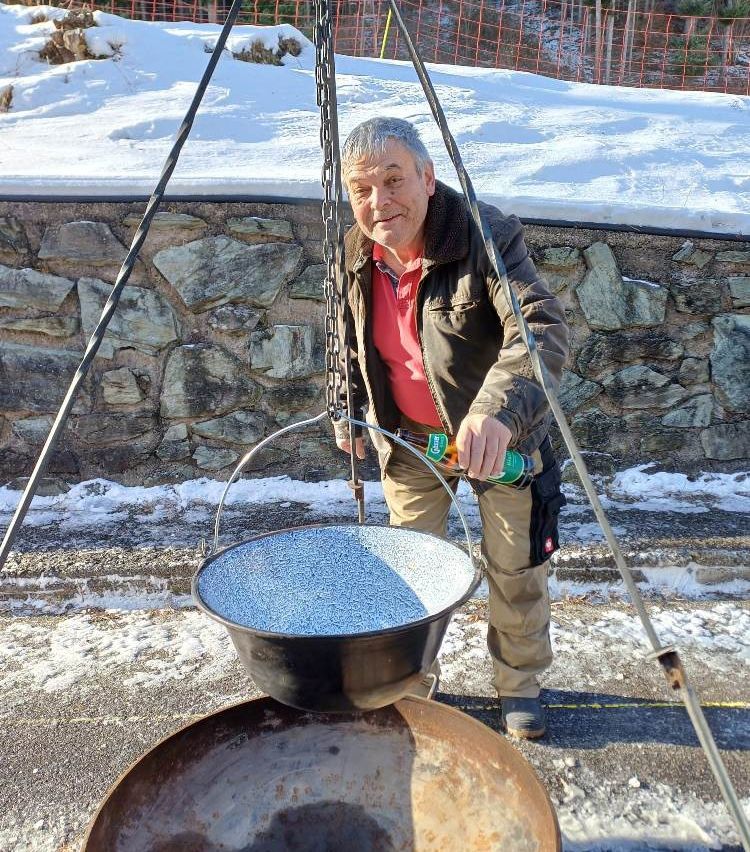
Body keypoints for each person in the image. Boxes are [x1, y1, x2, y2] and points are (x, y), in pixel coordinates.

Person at [334, 117, 569, 739]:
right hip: (410, 441)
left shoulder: (485, 235)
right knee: (411, 571)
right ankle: (413, 685)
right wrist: (348, 405)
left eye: (393, 179)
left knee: (514, 569)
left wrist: (495, 412)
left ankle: (518, 686)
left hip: (502, 440)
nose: (379, 202)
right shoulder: (354, 252)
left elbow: (538, 331)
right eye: (362, 188)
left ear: (428, 178)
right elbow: (348, 341)